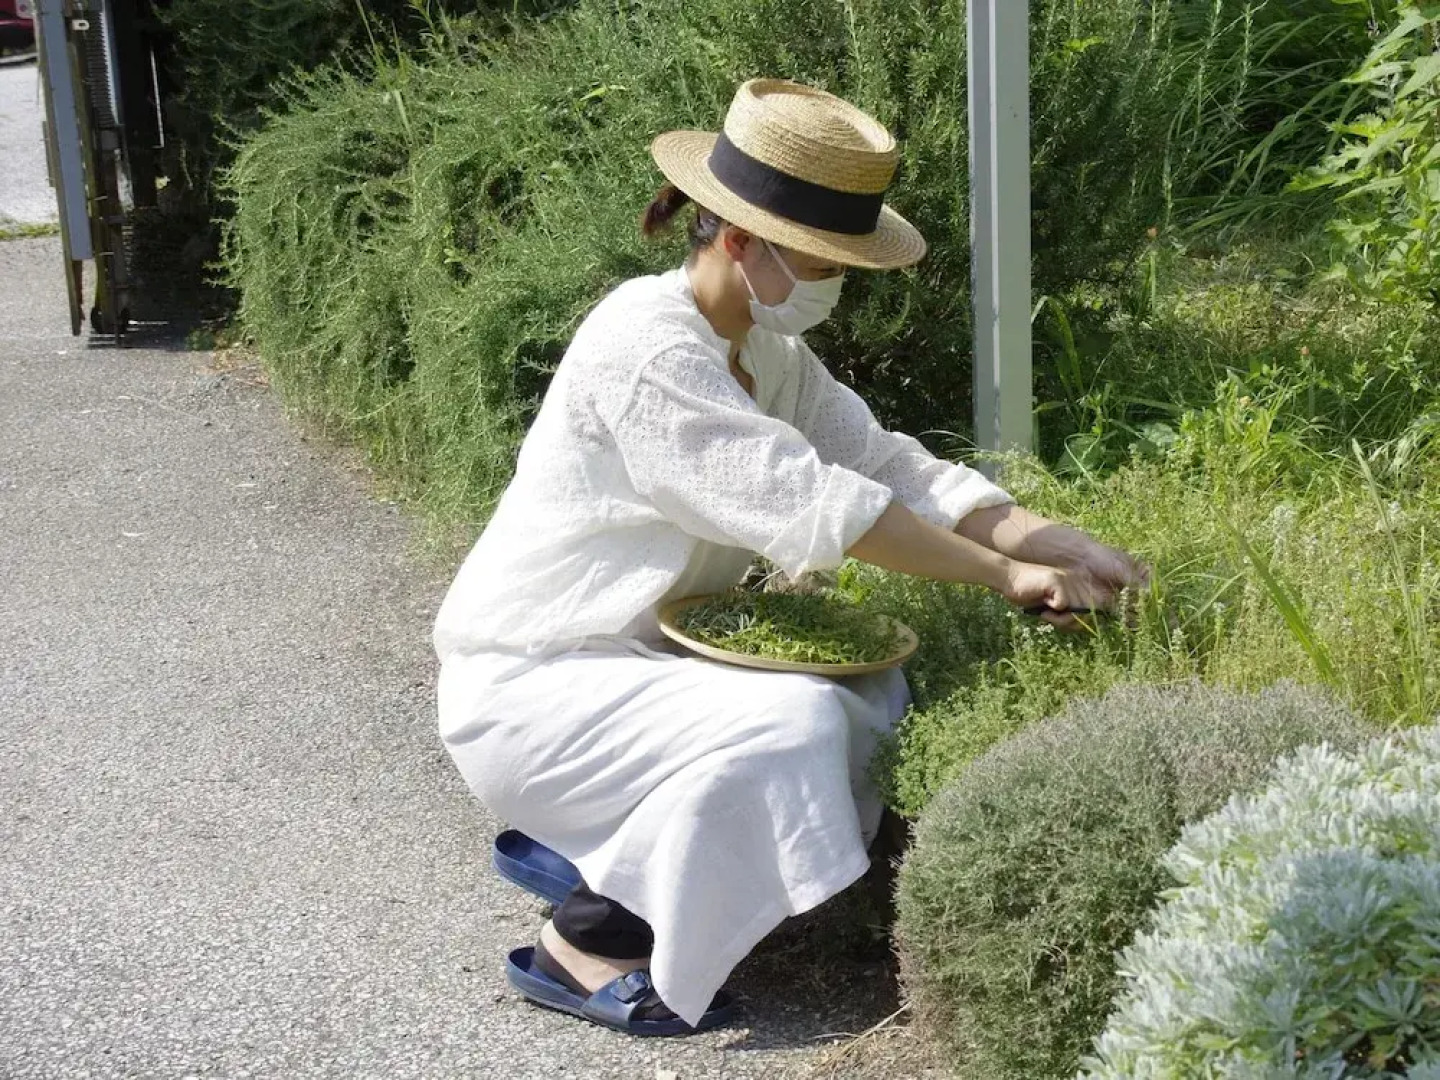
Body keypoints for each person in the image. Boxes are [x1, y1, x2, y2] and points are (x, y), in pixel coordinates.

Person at [433, 77, 1145, 1035]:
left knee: (872, 697)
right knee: (795, 725)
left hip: (641, 665)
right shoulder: (650, 351)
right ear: (739, 240)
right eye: (822, 261)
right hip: (538, 680)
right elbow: (816, 503)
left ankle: (608, 846)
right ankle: (590, 936)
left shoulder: (767, 352)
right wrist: (1006, 576)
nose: (833, 286)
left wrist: (1039, 535)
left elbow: (885, 462)